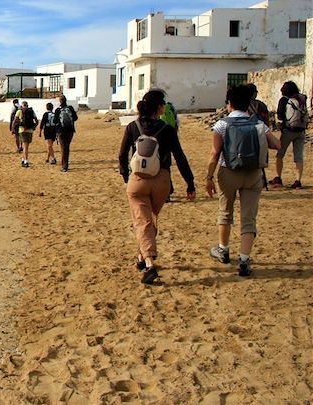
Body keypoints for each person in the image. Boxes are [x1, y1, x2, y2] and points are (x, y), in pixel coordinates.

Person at [119, 89, 196, 284]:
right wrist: (190, 183)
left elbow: (122, 155)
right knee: (148, 221)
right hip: (162, 179)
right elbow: (180, 157)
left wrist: (126, 176)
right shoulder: (168, 129)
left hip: (138, 180)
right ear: (159, 107)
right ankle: (141, 257)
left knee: (142, 221)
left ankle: (150, 264)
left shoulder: (132, 126)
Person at [206, 84, 281, 277]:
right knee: (249, 218)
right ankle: (245, 260)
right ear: (249, 104)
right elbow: (277, 144)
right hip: (253, 173)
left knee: (225, 211)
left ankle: (223, 249)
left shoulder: (222, 125)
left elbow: (215, 154)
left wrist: (208, 177)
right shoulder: (259, 125)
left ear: (229, 104)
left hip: (228, 172)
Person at [269, 80, 307, 189]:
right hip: (301, 131)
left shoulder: (284, 100)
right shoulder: (302, 98)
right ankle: (298, 181)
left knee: (280, 154)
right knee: (298, 157)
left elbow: (280, 116)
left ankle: (278, 178)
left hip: (288, 130)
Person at [53, 95, 78, 172]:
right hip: (70, 131)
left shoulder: (58, 110)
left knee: (63, 148)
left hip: (61, 131)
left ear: (60, 101)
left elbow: (54, 121)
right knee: (67, 147)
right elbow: (75, 118)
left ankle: (64, 166)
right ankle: (65, 164)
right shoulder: (70, 108)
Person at [15, 101, 38, 167]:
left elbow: (15, 120)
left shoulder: (19, 111)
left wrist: (14, 127)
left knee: (25, 147)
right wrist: (33, 127)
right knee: (26, 146)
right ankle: (23, 159)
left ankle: (26, 161)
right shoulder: (31, 111)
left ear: (22, 106)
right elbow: (36, 121)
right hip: (29, 130)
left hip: (22, 130)